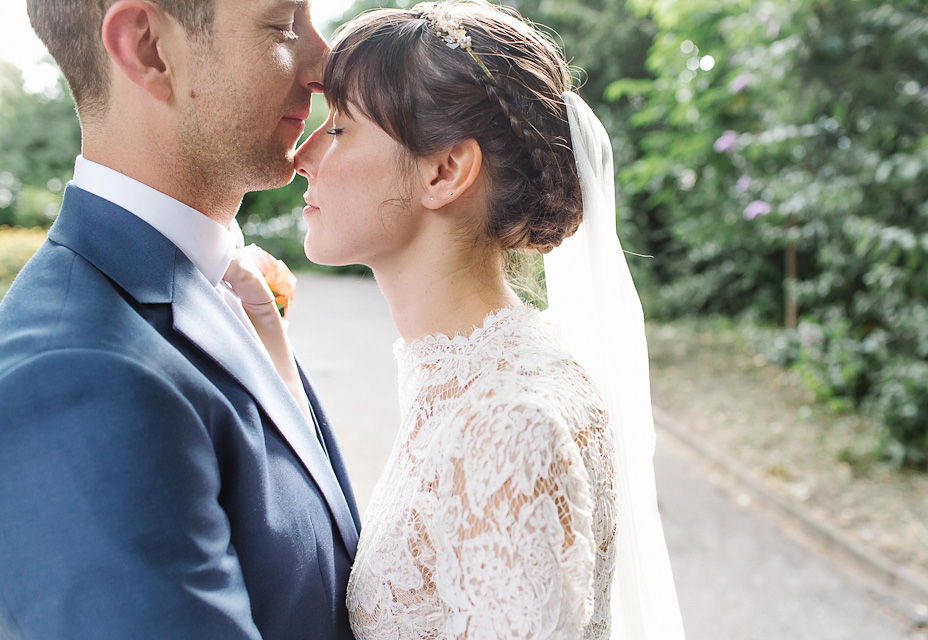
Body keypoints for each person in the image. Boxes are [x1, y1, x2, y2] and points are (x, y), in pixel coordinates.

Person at [238, 1, 686, 637]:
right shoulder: (467, 372)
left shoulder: (511, 423)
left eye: (339, 128)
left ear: (445, 171)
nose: (304, 155)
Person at [0, 1, 359, 638]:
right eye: (282, 24)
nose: (324, 64)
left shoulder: (212, 282)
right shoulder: (78, 375)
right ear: (148, 48)